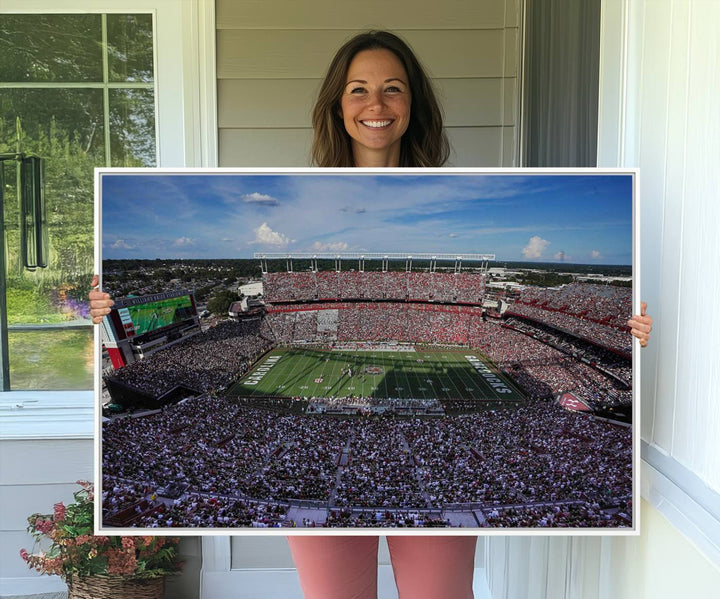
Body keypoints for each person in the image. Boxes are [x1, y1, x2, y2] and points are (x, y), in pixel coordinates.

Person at [89, 30, 652, 599]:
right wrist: (98, 312)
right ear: (337, 104)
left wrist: (630, 332)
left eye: (393, 89)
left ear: (414, 104)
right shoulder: (306, 194)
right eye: (358, 89)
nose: (376, 105)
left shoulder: (453, 191)